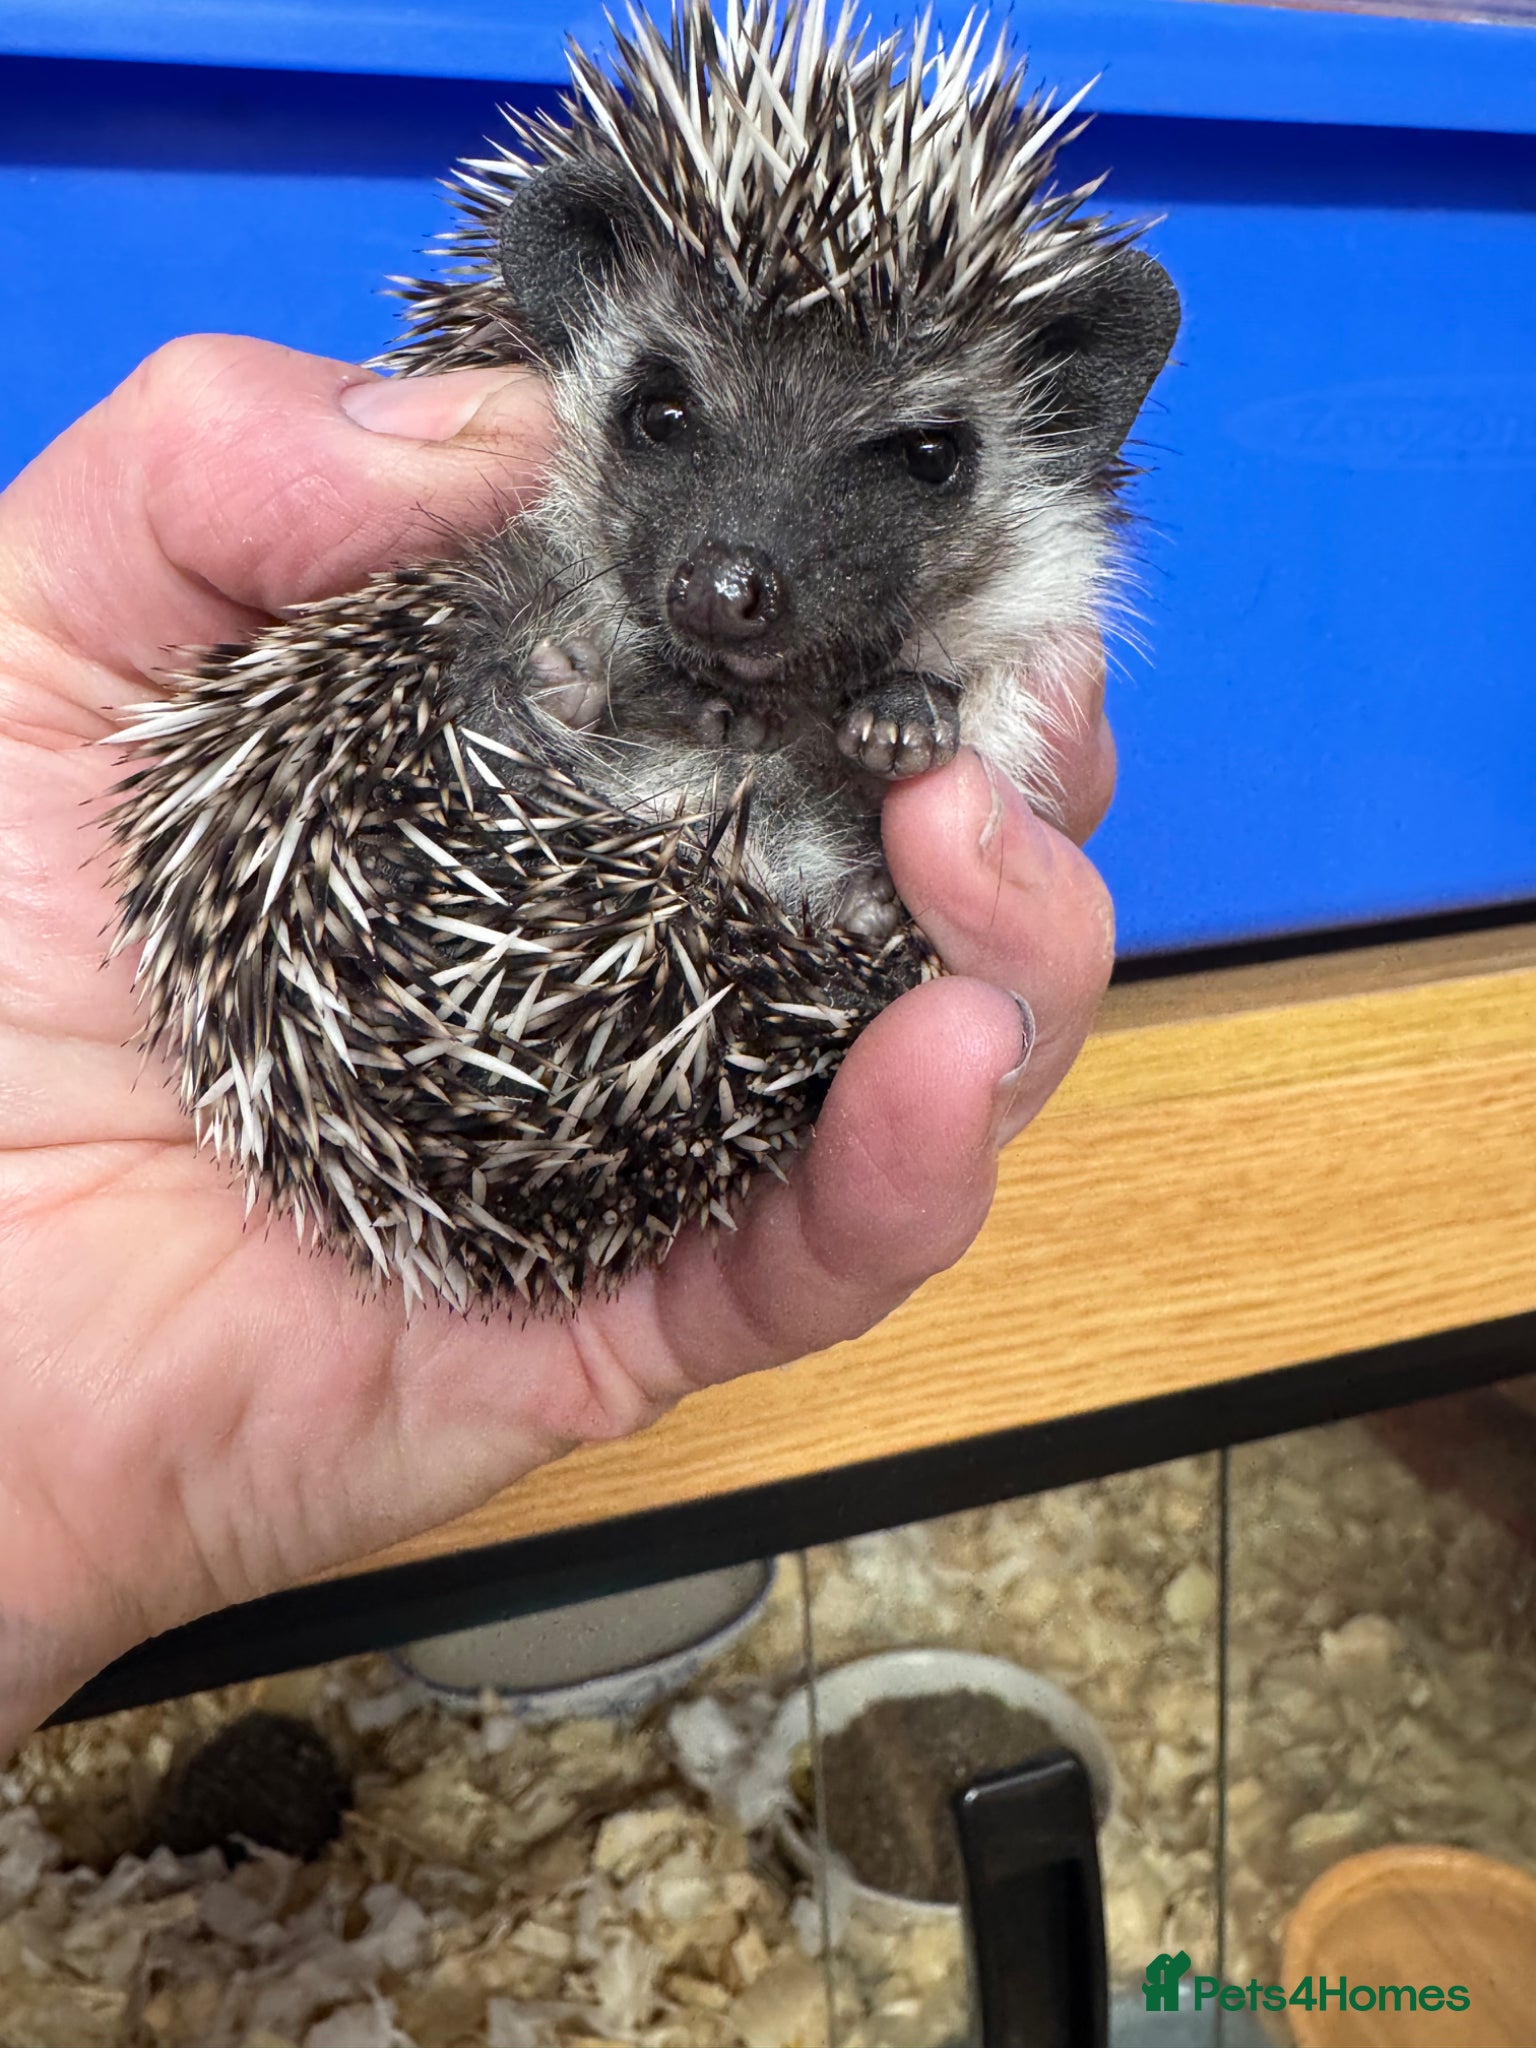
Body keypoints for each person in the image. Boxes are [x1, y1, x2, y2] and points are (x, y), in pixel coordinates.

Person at [0, 337, 1117, 1754]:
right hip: (478, 802)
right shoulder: (519, 530)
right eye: (667, 418)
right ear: (567, 323)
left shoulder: (964, 624)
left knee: (887, 862)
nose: (737, 566)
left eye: (915, 458)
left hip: (703, 895)